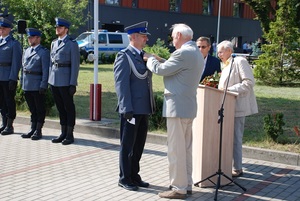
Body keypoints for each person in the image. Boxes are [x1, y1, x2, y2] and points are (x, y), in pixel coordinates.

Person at [144, 23, 204, 199]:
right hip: (188, 106)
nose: (172, 39)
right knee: (185, 149)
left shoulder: (183, 53)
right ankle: (186, 184)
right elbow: (175, 67)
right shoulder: (195, 52)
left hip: (177, 107)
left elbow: (161, 70)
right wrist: (161, 59)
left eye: (172, 36)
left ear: (178, 35)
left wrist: (151, 59)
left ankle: (178, 188)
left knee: (176, 150)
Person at [113, 21, 155, 192]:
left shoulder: (143, 56)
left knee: (139, 145)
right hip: (131, 110)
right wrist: (126, 108)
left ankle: (134, 174)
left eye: (146, 36)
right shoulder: (124, 56)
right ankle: (124, 177)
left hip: (143, 108)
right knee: (127, 145)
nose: (146, 39)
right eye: (143, 36)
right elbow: (121, 85)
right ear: (134, 37)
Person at [217, 40, 258, 177]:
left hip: (238, 106)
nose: (219, 54)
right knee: (228, 138)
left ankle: (238, 168)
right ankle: (227, 165)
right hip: (226, 107)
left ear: (229, 50)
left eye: (221, 51)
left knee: (236, 137)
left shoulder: (239, 61)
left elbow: (249, 83)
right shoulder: (226, 64)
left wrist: (229, 90)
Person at [48, 17, 80, 145]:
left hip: (66, 80)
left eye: (60, 27)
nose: (57, 29)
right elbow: (51, 63)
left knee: (68, 107)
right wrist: (50, 80)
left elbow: (75, 65)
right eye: (57, 27)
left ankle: (69, 134)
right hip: (55, 80)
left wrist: (73, 83)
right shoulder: (54, 43)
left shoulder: (72, 44)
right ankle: (63, 132)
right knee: (60, 107)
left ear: (66, 30)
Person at [20, 28, 50, 140]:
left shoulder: (43, 52)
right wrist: (22, 82)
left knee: (39, 108)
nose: (29, 39)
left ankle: (38, 129)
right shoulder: (27, 51)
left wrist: (43, 85)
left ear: (38, 38)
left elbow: (45, 70)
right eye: (28, 37)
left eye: (32, 37)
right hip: (27, 84)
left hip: (37, 84)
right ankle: (32, 128)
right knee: (32, 109)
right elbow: (23, 68)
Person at [0, 18, 22, 135]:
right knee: (1, 102)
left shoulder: (14, 43)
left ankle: (10, 125)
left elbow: (16, 62)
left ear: (9, 29)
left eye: (4, 28)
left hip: (8, 76)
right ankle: (4, 123)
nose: (1, 30)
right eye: (0, 28)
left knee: (9, 101)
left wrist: (13, 78)